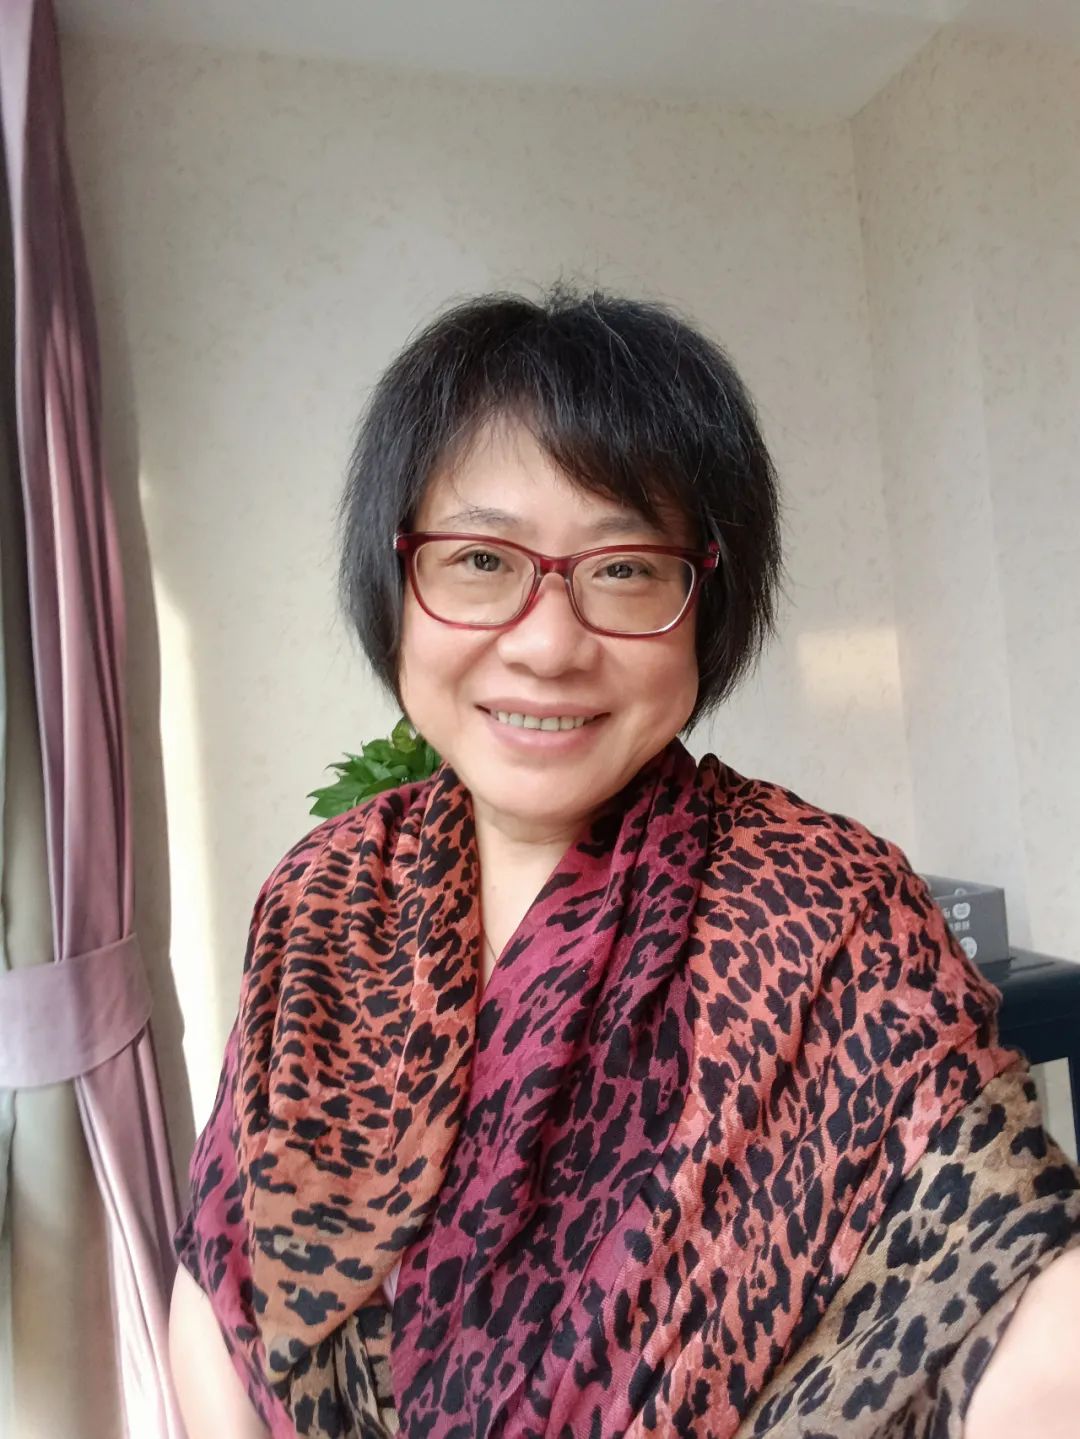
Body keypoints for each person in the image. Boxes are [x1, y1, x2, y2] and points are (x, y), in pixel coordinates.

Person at [169, 286, 1080, 1439]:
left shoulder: (828, 905)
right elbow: (221, 1277)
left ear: (707, 600)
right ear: (395, 578)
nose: (550, 644)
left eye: (626, 568)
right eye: (480, 559)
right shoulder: (322, 897)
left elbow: (1014, 1290)